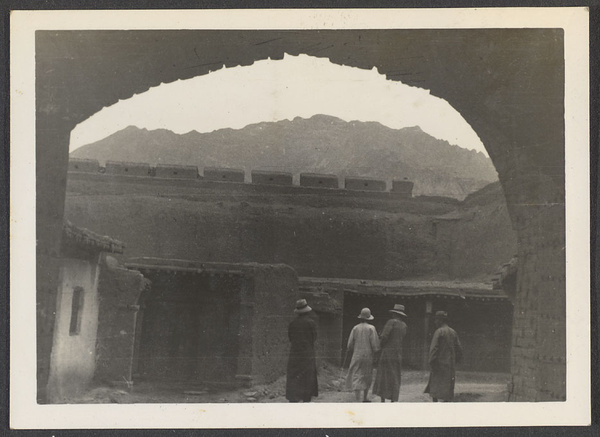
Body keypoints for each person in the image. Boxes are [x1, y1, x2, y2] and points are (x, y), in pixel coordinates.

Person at [424, 310, 463, 402]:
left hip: (438, 365)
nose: (435, 322)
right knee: (447, 390)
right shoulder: (453, 332)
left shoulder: (439, 332)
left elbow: (434, 349)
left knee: (435, 388)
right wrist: (454, 361)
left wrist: (431, 362)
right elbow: (459, 349)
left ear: (440, 320)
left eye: (436, 320)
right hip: (450, 366)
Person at [373, 303, 408, 402]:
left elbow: (384, 336)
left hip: (388, 351)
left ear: (394, 314)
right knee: (395, 375)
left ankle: (383, 398)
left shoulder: (391, 322)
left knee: (384, 374)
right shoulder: (404, 325)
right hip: (398, 353)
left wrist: (380, 346)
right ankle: (393, 398)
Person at [285, 299, 319, 402]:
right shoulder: (311, 323)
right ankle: (306, 398)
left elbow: (290, 338)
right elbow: (314, 338)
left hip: (295, 354)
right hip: (307, 354)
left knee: (294, 376)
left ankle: (293, 398)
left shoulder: (292, 323)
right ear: (307, 311)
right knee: (307, 377)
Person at [345, 307, 380, 402]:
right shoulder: (371, 328)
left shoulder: (355, 328)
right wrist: (376, 352)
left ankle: (357, 399)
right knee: (367, 375)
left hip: (357, 354)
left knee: (357, 375)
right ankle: (365, 398)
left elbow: (349, 344)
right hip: (368, 355)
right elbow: (375, 345)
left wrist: (352, 349)